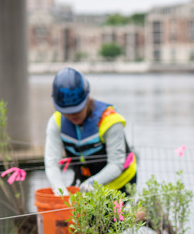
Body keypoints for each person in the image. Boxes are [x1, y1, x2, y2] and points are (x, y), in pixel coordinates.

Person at [44, 67, 137, 196]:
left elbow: (116, 164)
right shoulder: (56, 122)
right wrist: (62, 194)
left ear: (87, 99)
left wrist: (91, 183)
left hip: (120, 183)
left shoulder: (110, 120)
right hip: (85, 181)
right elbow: (51, 163)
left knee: (112, 216)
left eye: (77, 110)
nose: (72, 116)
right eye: (67, 112)